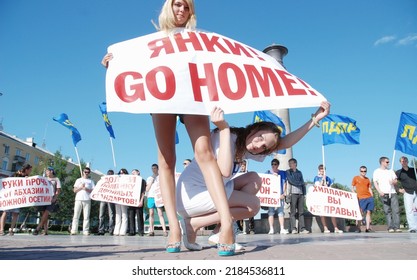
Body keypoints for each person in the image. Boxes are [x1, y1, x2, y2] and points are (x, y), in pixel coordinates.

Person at [102, 0, 234, 254]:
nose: (182, 10)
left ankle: (226, 222)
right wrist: (114, 65)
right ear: (168, 8)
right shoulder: (152, 41)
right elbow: (134, 66)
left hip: (192, 95)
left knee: (205, 152)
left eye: (186, 6)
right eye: (177, 5)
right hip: (161, 94)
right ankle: (174, 226)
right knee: (165, 160)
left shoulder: (197, 38)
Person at [177, 102, 330, 255]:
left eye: (264, 147)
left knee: (254, 179)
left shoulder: (245, 145)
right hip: (192, 195)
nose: (259, 146)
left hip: (207, 193)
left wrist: (315, 118)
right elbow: (224, 171)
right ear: (254, 129)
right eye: (260, 138)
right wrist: (224, 128)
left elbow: (286, 142)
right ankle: (195, 224)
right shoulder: (228, 136)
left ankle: (218, 231)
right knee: (253, 205)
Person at [0, 163, 32, 236]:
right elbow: (7, 182)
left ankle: (11, 230)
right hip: (10, 196)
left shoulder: (26, 177)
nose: (30, 172)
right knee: (5, 212)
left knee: (15, 213)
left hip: (18, 197)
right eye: (30, 170)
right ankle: (1, 230)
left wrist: (27, 180)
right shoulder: (15, 174)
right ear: (26, 170)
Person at [373, 156, 401, 233]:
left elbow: (396, 181)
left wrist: (393, 182)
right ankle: (390, 227)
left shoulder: (391, 171)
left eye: (388, 162)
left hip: (392, 192)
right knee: (387, 210)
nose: (388, 163)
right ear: (382, 162)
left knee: (396, 210)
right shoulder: (376, 171)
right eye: (387, 162)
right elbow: (375, 183)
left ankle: (397, 227)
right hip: (383, 193)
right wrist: (379, 191)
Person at [313, 164, 343, 233]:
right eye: (321, 170)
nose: (322, 171)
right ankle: (325, 228)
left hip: (327, 197)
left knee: (332, 212)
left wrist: (327, 185)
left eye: (323, 170)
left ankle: (336, 228)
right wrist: (322, 181)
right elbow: (317, 187)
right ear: (319, 171)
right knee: (322, 213)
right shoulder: (316, 178)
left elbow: (331, 188)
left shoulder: (328, 178)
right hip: (320, 197)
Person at [33, 167, 61, 236]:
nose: (46, 173)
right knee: (44, 215)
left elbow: (58, 190)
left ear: (51, 171)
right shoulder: (44, 179)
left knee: (46, 213)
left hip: (51, 199)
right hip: (43, 199)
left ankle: (38, 228)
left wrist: (55, 198)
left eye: (47, 171)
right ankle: (45, 231)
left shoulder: (56, 179)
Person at [286, 158, 309, 234]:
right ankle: (293, 229)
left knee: (301, 212)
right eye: (289, 163)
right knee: (292, 212)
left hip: (301, 193)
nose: (290, 165)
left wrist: (304, 193)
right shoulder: (288, 172)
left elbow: (302, 182)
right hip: (293, 194)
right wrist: (301, 183)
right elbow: (291, 181)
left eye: (291, 163)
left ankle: (302, 229)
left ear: (295, 164)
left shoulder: (300, 172)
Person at [266, 159, 289, 235]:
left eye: (275, 164)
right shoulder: (268, 173)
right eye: (272, 164)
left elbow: (285, 183)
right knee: (271, 212)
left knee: (281, 212)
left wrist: (284, 193)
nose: (273, 165)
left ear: (278, 165)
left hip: (280, 195)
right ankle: (271, 229)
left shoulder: (282, 173)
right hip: (271, 196)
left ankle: (282, 229)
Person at [395, 156, 417, 233]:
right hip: (407, 192)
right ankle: (412, 227)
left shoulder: (414, 169)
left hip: (416, 191)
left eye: (405, 161)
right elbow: (394, 182)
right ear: (400, 162)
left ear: (407, 162)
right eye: (402, 161)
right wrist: (399, 189)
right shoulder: (398, 172)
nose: (404, 162)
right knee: (409, 211)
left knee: (416, 211)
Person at [70, 167, 95, 235]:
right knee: (76, 215)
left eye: (88, 172)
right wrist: (81, 187)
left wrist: (86, 189)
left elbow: (93, 191)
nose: (86, 173)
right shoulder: (78, 180)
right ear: (83, 172)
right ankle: (74, 230)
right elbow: (74, 190)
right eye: (85, 172)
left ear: (89, 173)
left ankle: (85, 230)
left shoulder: (91, 181)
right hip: (78, 199)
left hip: (87, 199)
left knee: (86, 216)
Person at [146, 164, 168, 237]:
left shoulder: (161, 177)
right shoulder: (149, 178)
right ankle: (151, 230)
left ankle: (164, 230)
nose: (153, 169)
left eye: (155, 168)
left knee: (160, 213)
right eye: (152, 168)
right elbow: (147, 189)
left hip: (158, 197)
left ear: (158, 169)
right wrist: (151, 181)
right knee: (151, 213)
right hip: (151, 196)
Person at [351, 165, 374, 233]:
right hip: (360, 198)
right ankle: (358, 228)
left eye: (364, 171)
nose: (363, 172)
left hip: (369, 197)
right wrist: (354, 193)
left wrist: (372, 195)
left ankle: (367, 228)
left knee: (368, 212)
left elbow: (369, 188)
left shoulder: (367, 179)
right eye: (362, 171)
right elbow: (352, 187)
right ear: (360, 171)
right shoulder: (356, 178)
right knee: (360, 213)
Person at [127, 169, 147, 236]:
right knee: (131, 216)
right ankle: (132, 231)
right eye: (132, 173)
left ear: (138, 172)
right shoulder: (130, 181)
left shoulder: (142, 181)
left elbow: (143, 191)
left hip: (139, 200)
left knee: (139, 216)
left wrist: (141, 200)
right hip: (131, 201)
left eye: (134, 172)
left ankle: (140, 231)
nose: (133, 174)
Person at [97, 169, 116, 235]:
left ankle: (111, 230)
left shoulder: (115, 182)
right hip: (103, 199)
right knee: (101, 215)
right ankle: (101, 230)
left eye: (111, 174)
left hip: (110, 199)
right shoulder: (102, 181)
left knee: (111, 215)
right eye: (109, 173)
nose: (110, 175)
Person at [113, 168, 129, 236]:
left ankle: (123, 231)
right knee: (118, 215)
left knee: (124, 214)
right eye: (120, 173)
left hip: (124, 198)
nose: (121, 174)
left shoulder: (128, 180)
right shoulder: (118, 180)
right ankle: (116, 230)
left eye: (123, 173)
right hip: (117, 199)